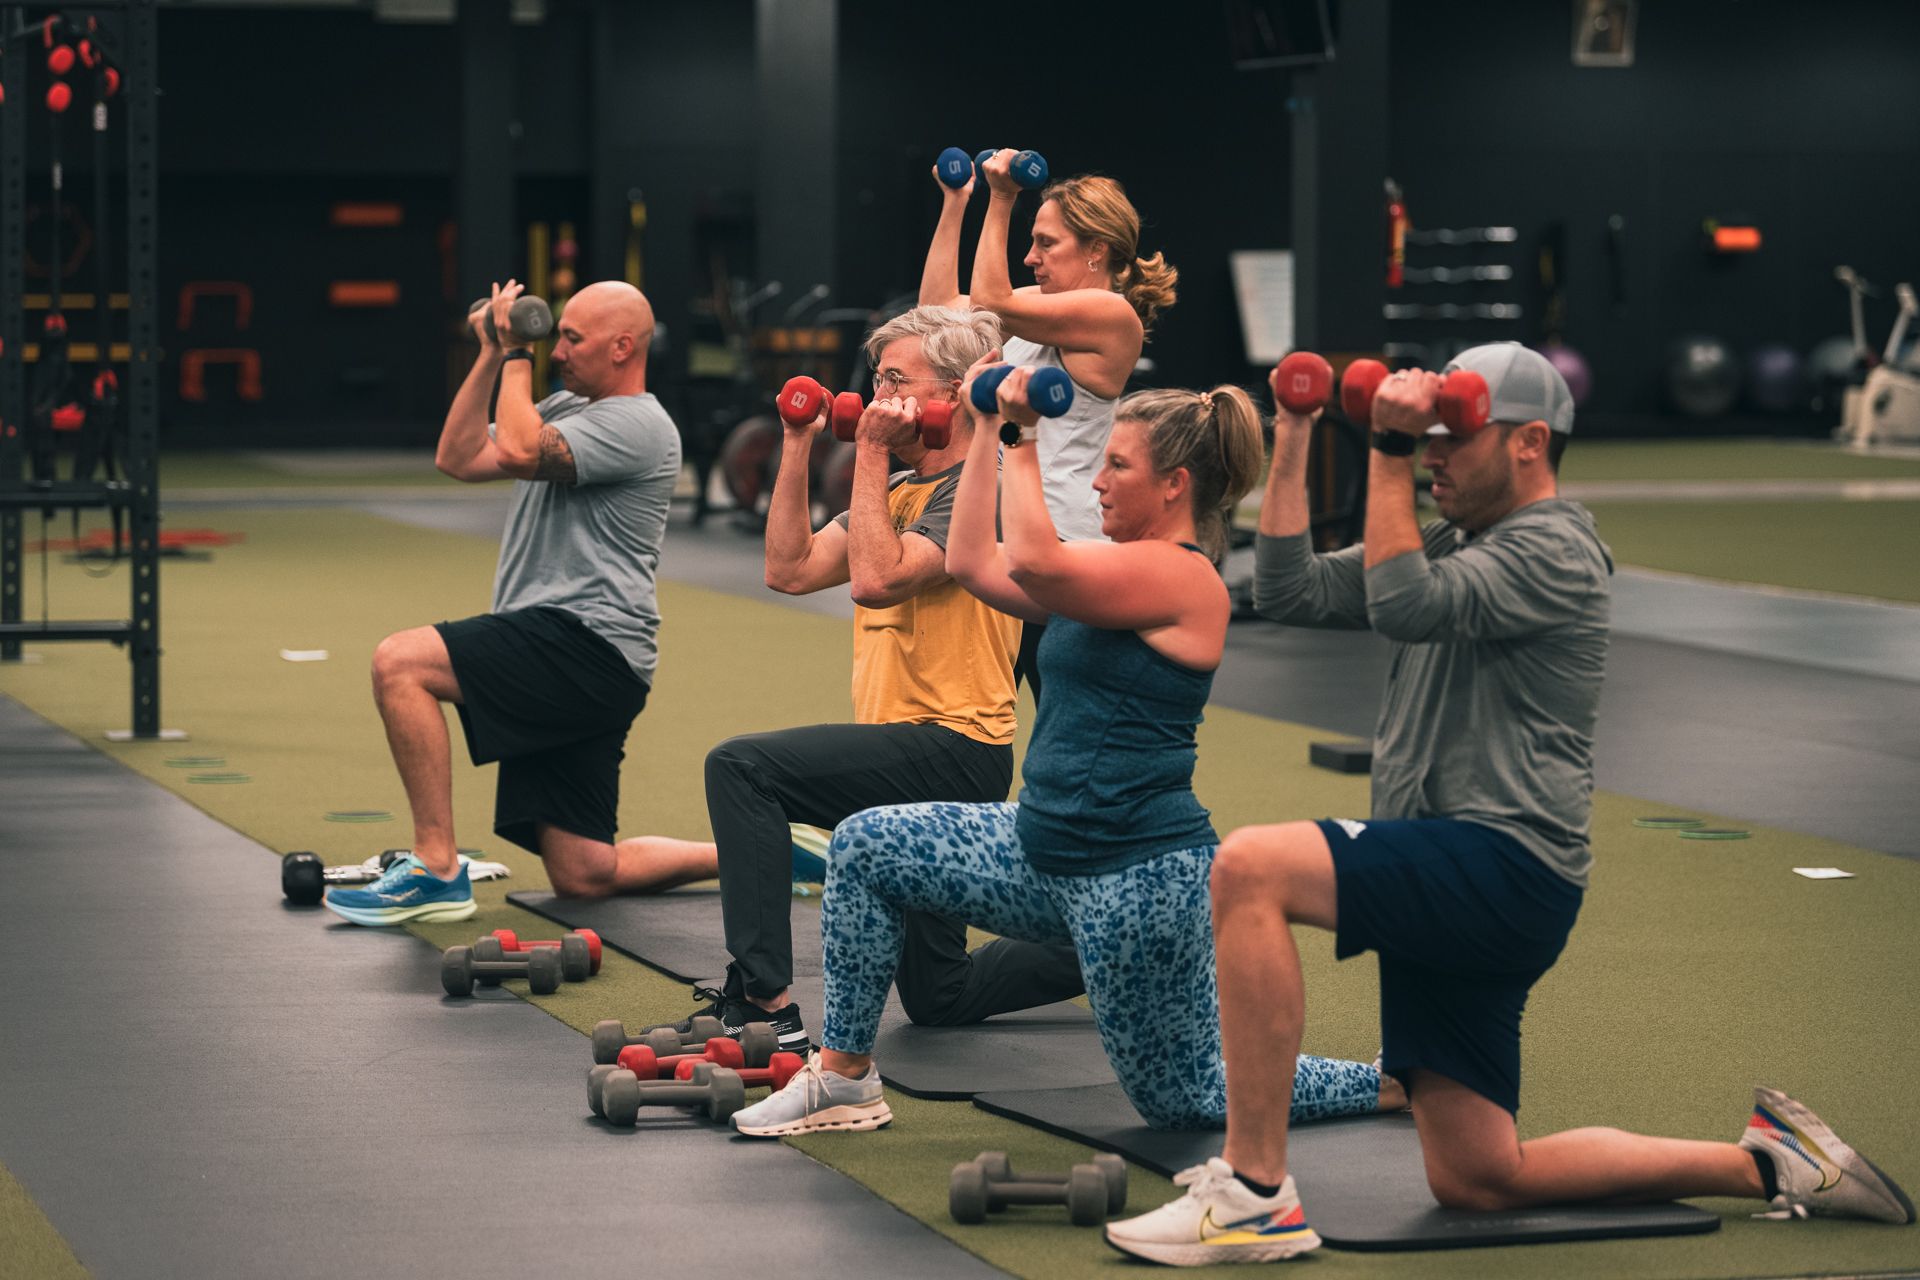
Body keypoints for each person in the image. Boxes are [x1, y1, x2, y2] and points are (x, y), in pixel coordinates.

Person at [1102, 343, 1915, 1265]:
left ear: (1531, 442)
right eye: (1431, 439)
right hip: (1451, 873)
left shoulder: (1558, 548)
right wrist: (1293, 429)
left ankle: (1252, 1193)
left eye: (1457, 437)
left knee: (1250, 866)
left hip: (1505, 862)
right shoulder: (1457, 539)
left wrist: (1390, 448)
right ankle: (1774, 1164)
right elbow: (1286, 586)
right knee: (1480, 1175)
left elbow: (1405, 605)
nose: (1438, 455)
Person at [729, 366, 1404, 1138]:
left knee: (1187, 1099)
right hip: (1037, 850)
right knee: (866, 847)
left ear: (1176, 485)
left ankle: (1390, 1080)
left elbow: (1035, 561)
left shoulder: (1183, 579)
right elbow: (972, 563)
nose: (1098, 480)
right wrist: (985, 428)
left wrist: (1020, 433)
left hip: (1137, 876)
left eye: (1117, 465)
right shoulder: (1103, 571)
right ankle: (845, 1078)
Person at [617, 305, 1085, 1055]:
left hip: (953, 748)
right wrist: (799, 442)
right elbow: (789, 568)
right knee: (940, 995)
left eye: (897, 380)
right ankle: (1115, 942)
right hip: (907, 753)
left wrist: (866, 455)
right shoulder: (897, 491)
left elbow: (875, 581)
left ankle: (765, 1003)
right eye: (875, 381)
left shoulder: (980, 490)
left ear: (959, 391)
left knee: (744, 769)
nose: (877, 398)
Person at [324, 280, 682, 926]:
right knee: (583, 873)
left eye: (572, 337)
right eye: (557, 334)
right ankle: (757, 849)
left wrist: (516, 353)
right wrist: (491, 352)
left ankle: (436, 867)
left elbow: (518, 450)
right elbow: (458, 456)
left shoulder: (641, 424)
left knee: (400, 663)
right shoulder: (568, 407)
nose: (558, 349)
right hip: (593, 658)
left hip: (585, 642)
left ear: (623, 347)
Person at [920, 152, 1177, 694]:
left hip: (1061, 544)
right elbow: (939, 309)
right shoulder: (1040, 308)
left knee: (1064, 719)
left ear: (1097, 251)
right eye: (1032, 241)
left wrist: (1004, 197)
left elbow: (991, 297)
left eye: (1046, 243)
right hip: (1005, 535)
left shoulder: (1111, 315)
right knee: (972, 717)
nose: (1031, 257)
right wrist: (956, 202)